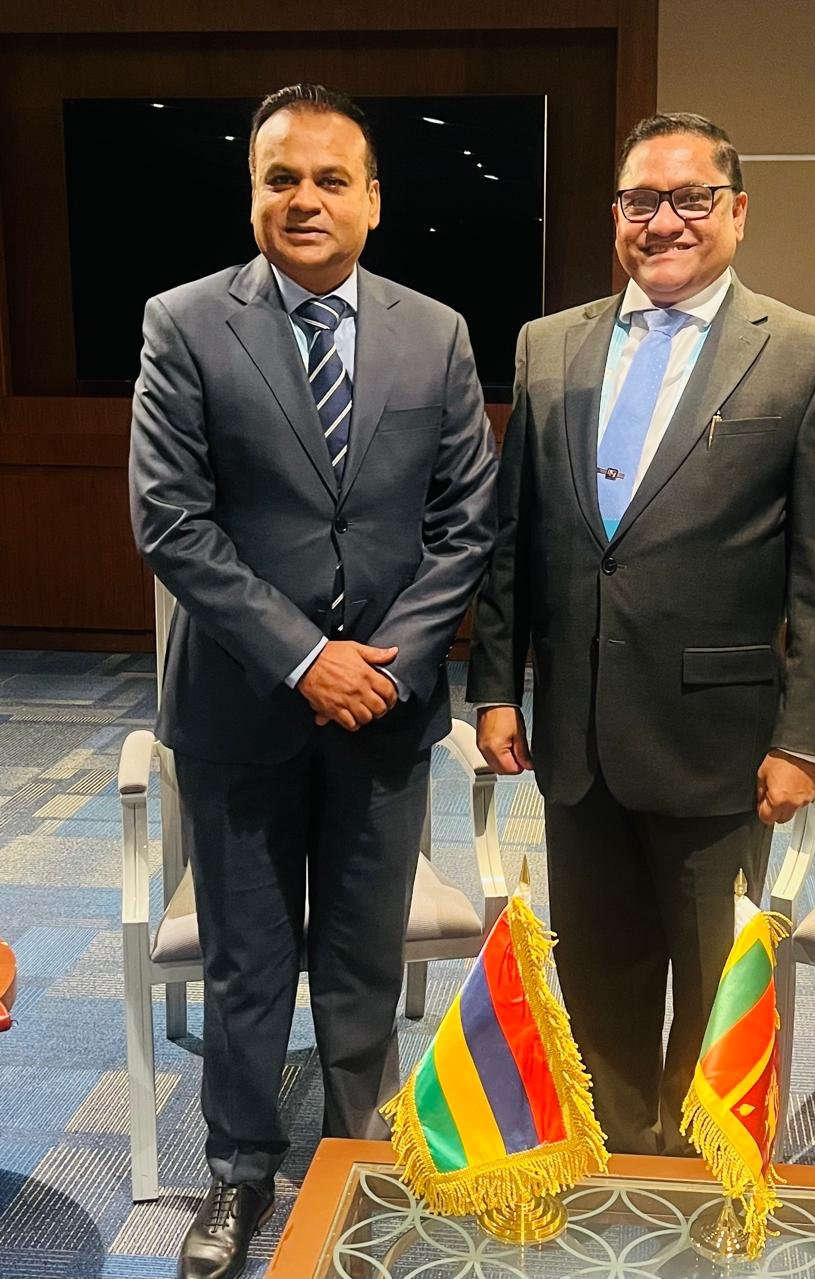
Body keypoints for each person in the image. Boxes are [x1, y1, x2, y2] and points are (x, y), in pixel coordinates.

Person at [129, 84, 496, 1279]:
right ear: (252, 193)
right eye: (279, 177)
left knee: (360, 960)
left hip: (384, 707)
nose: (304, 198)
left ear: (372, 201)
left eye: (330, 179)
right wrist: (304, 657)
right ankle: (239, 1169)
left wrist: (387, 663)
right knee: (246, 962)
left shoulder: (435, 332)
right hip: (241, 706)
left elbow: (465, 521)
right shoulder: (185, 323)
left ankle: (357, 1165)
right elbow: (171, 521)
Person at [468, 112, 815, 1157]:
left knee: (710, 983)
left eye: (692, 199)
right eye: (641, 201)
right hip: (577, 736)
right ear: (616, 216)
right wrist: (496, 686)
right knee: (595, 972)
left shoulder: (809, 358)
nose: (664, 221)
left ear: (737, 212)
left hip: (720, 745)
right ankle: (614, 1157)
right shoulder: (548, 345)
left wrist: (805, 739)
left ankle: (695, 1180)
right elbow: (516, 536)